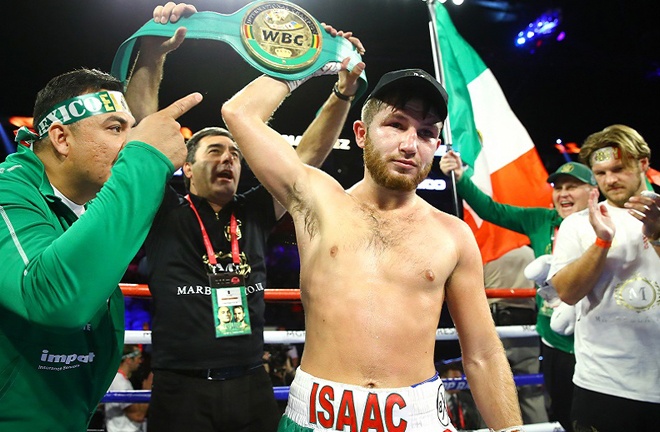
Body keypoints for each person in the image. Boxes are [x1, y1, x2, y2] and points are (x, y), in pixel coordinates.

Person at [222, 66, 523, 430]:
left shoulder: (453, 235)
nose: (410, 144)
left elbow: (484, 354)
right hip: (316, 417)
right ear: (362, 134)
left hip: (419, 421)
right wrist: (306, 62)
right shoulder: (317, 200)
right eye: (396, 124)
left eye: (426, 133)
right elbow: (239, 113)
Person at [122, 4, 367, 431]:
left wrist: (342, 92)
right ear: (186, 167)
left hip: (251, 382)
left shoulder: (252, 210)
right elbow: (144, 131)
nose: (229, 160)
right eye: (215, 151)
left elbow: (307, 157)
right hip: (182, 389)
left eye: (235, 154)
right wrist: (151, 57)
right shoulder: (164, 209)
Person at [0, 67, 200, 430]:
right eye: (115, 129)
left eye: (131, 129)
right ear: (60, 138)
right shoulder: (6, 192)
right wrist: (146, 158)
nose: (130, 142)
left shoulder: (86, 205)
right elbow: (50, 298)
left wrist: (150, 57)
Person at [440, 154, 598, 431]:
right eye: (559, 187)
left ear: (593, 192)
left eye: (572, 186)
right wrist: (462, 178)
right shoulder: (540, 220)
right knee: (562, 410)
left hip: (597, 337)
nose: (563, 194)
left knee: (593, 414)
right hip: (553, 338)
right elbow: (491, 210)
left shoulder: (608, 223)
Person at [548, 124, 660, 431]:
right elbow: (566, 294)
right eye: (600, 173)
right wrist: (601, 242)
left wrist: (659, 237)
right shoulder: (579, 224)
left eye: (619, 169)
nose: (610, 180)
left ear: (643, 164)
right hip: (602, 383)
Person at [483, 246, 549, 425]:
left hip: (493, 319)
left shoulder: (486, 250)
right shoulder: (531, 253)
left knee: (490, 390)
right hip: (526, 320)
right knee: (530, 389)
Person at [105, 345, 152, 432]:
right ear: (129, 360)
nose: (140, 361)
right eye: (138, 358)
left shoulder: (119, 379)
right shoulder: (119, 382)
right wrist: (147, 390)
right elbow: (138, 416)